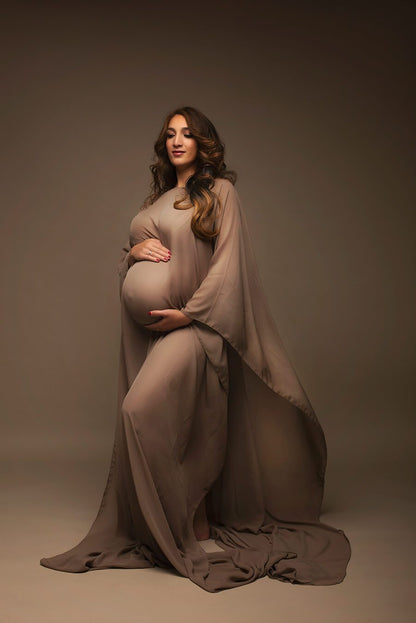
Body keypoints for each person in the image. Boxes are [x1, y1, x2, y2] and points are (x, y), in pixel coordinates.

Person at [40, 106, 351, 592]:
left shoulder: (221, 193)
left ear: (205, 143)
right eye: (170, 134)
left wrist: (190, 314)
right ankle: (196, 516)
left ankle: (176, 529)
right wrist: (132, 255)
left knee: (139, 412)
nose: (177, 141)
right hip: (153, 333)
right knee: (170, 422)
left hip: (198, 327)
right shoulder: (160, 198)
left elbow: (230, 268)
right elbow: (143, 256)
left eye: (187, 134)